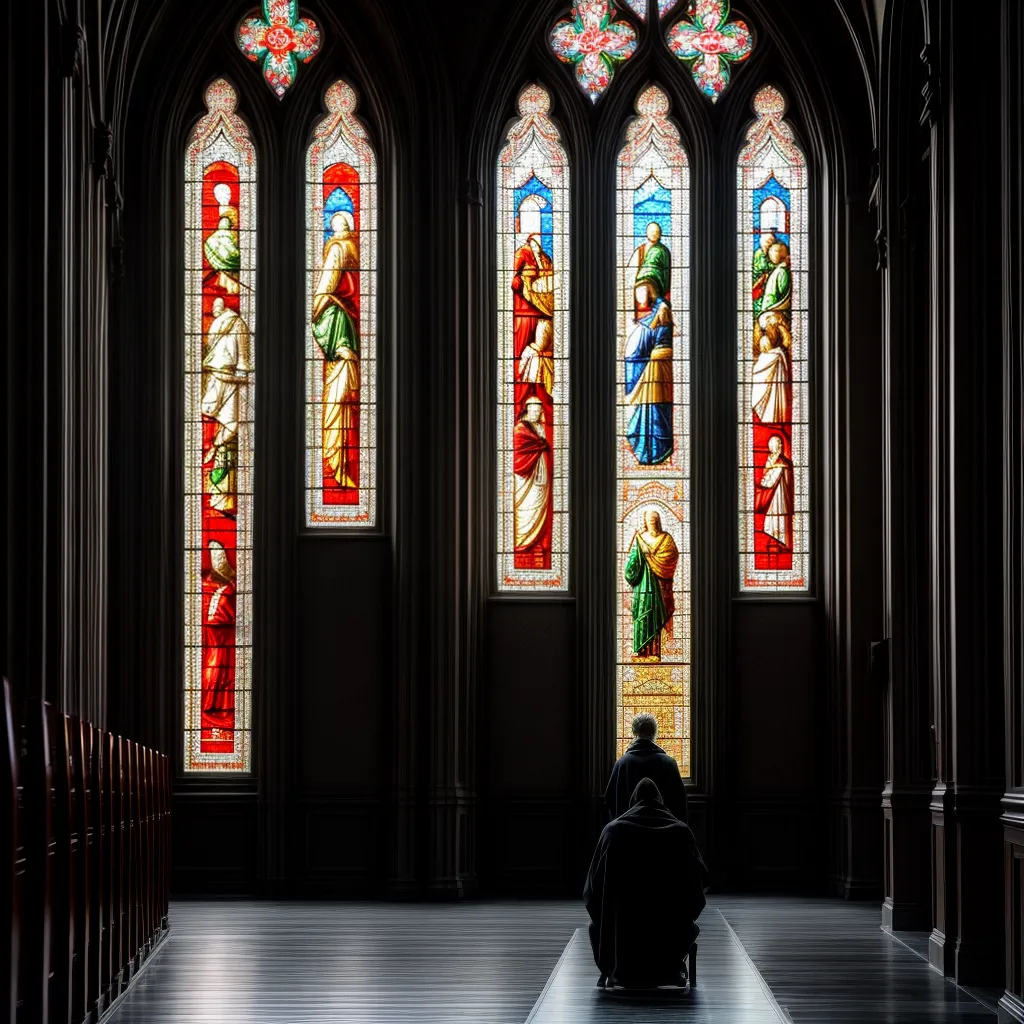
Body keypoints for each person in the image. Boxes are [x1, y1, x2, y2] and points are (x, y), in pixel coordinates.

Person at [585, 778, 708, 989]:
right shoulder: (680, 832)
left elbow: (591, 891)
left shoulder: (613, 832)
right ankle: (670, 968)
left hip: (621, 933)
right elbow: (700, 885)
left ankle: (612, 970)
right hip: (669, 930)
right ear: (661, 801)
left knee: (594, 927)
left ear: (633, 801)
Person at [312, 210, 360, 490]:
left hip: (342, 333)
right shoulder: (356, 247)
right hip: (351, 328)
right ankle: (341, 466)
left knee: (338, 400)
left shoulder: (338, 250)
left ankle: (336, 464)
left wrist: (315, 309)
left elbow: (325, 285)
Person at [202, 297, 251, 512]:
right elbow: (242, 361)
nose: (213, 310)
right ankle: (222, 495)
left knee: (229, 431)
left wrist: (240, 374)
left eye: (215, 307)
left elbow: (242, 359)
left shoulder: (235, 323)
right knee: (227, 431)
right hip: (225, 380)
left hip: (227, 383)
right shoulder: (227, 324)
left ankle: (226, 496)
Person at [605, 712, 688, 823]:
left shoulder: (622, 764)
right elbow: (679, 802)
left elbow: (611, 799)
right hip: (663, 833)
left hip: (628, 833)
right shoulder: (669, 763)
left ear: (634, 732)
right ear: (654, 732)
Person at [624, 509, 679, 660]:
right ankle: (642, 652)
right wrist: (630, 568)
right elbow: (632, 563)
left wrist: (654, 560)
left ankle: (655, 653)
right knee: (641, 614)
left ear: (658, 522)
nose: (651, 523)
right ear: (645, 522)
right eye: (649, 521)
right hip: (642, 586)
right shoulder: (640, 539)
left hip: (660, 586)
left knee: (655, 615)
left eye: (654, 521)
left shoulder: (666, 539)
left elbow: (672, 555)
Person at [624, 298, 674, 465]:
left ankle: (658, 449)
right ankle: (646, 448)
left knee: (658, 406)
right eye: (660, 310)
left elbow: (660, 343)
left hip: (661, 370)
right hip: (654, 368)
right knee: (647, 405)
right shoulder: (657, 324)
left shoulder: (666, 327)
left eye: (663, 311)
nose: (661, 313)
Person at [512, 396, 552, 568]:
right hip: (525, 476)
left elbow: (543, 443)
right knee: (525, 506)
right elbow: (519, 448)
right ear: (527, 410)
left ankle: (535, 539)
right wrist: (539, 445)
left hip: (541, 473)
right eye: (534, 410)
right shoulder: (520, 428)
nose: (536, 413)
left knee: (539, 505)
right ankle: (521, 538)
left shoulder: (540, 426)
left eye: (539, 411)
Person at [756, 434, 793, 550]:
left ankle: (782, 542)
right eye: (777, 444)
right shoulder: (771, 459)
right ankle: (775, 540)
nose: (780, 446)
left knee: (781, 515)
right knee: (773, 517)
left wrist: (775, 468)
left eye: (779, 445)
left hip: (780, 493)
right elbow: (766, 475)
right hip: (773, 496)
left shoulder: (783, 461)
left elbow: (770, 480)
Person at [628, 221, 671, 319]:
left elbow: (659, 271)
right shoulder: (640, 250)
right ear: (647, 233)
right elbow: (631, 271)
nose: (654, 234)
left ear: (660, 234)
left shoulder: (662, 250)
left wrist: (645, 279)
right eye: (652, 232)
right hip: (643, 294)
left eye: (656, 232)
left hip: (658, 291)